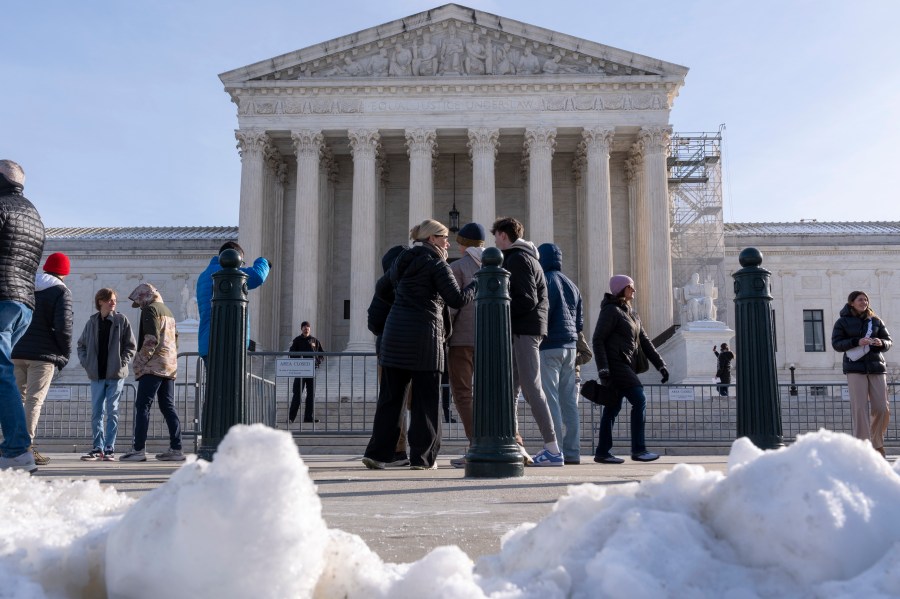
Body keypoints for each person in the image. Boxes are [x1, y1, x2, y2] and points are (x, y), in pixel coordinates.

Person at [363, 219, 475, 470]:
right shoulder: (437, 264)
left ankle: (378, 454)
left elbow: (382, 290)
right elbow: (456, 299)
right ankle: (422, 458)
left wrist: (404, 302)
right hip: (425, 337)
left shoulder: (400, 261)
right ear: (433, 239)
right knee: (426, 400)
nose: (448, 242)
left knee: (390, 399)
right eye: (445, 237)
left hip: (394, 337)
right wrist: (474, 285)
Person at [491, 217, 562, 466]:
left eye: (496, 236)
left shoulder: (518, 259)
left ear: (503, 235)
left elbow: (526, 299)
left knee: (532, 388)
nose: (495, 242)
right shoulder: (526, 257)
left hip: (524, 330)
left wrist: (500, 312)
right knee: (512, 388)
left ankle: (552, 448)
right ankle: (514, 441)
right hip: (526, 329)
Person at [592, 275, 669, 464]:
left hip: (626, 365)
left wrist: (661, 365)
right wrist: (603, 369)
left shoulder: (633, 315)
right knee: (639, 398)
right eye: (630, 287)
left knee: (612, 407)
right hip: (616, 365)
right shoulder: (610, 311)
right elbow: (597, 339)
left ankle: (602, 452)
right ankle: (639, 449)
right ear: (621, 289)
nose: (633, 291)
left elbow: (645, 341)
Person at [0, 160, 45, 473]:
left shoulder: (1, 206)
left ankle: (16, 449)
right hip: (23, 304)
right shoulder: (33, 214)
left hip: (2, 299)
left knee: (1, 374)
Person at [11, 252, 73, 465]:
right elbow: (64, 327)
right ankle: (26, 448)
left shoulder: (26, 285)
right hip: (42, 355)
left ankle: (10, 444)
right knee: (34, 401)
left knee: (15, 399)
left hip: (16, 351)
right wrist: (64, 354)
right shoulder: (60, 291)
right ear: (65, 272)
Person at [121, 283, 184, 462]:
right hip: (170, 365)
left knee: (143, 406)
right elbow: (176, 340)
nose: (140, 305)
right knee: (168, 407)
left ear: (146, 296)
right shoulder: (168, 311)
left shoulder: (150, 310)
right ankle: (176, 448)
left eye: (140, 301)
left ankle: (139, 449)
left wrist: (139, 361)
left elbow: (151, 339)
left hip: (153, 366)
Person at [537, 243, 583, 465]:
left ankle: (556, 451)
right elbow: (579, 321)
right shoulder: (572, 285)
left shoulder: (545, 281)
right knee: (569, 403)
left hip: (550, 346)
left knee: (551, 400)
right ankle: (573, 452)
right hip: (571, 346)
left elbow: (542, 314)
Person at [831, 290, 892, 458]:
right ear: (851, 302)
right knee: (859, 408)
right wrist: (856, 342)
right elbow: (836, 344)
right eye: (860, 300)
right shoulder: (842, 322)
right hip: (855, 368)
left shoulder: (876, 321)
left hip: (877, 367)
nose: (864, 302)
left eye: (866, 300)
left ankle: (877, 442)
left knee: (881, 407)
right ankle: (863, 448)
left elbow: (889, 341)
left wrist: (882, 343)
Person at [77, 288, 136, 461]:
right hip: (96, 375)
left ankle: (109, 447)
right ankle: (97, 447)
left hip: (115, 375)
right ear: (100, 301)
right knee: (97, 412)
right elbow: (81, 345)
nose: (113, 302)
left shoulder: (121, 320)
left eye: (114, 300)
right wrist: (86, 363)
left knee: (113, 411)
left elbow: (131, 346)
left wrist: (122, 363)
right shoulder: (92, 322)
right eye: (110, 300)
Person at [446, 223, 485, 468]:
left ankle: (476, 444)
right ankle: (514, 440)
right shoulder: (497, 266)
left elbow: (452, 306)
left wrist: (443, 335)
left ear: (462, 244)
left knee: (463, 393)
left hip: (462, 341)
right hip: (492, 342)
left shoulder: (458, 267)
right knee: (494, 395)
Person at [197, 241, 269, 362]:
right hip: (229, 341)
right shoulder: (229, 273)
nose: (240, 266)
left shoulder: (203, 276)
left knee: (214, 380)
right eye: (241, 262)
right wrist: (264, 261)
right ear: (234, 257)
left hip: (207, 342)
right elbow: (257, 276)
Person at [288, 321, 325, 424]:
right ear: (301, 329)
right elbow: (291, 353)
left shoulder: (315, 341)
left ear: (310, 329)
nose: (306, 328)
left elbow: (321, 354)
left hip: (311, 371)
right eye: (304, 327)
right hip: (300, 371)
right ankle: (291, 418)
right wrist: (300, 358)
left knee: (311, 395)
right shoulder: (297, 340)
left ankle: (308, 418)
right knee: (297, 395)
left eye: (308, 327)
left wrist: (317, 361)